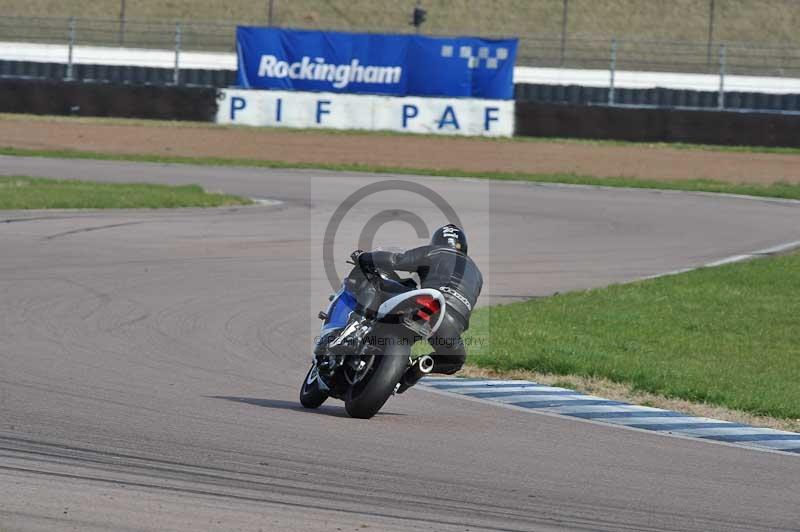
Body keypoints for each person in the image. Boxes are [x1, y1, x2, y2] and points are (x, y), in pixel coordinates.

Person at [354, 224, 483, 392]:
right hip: (451, 325)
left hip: (429, 304)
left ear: (436, 241)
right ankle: (414, 372)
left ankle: (356, 326)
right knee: (454, 361)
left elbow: (397, 261)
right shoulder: (478, 275)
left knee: (375, 285)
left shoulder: (436, 251)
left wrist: (364, 257)